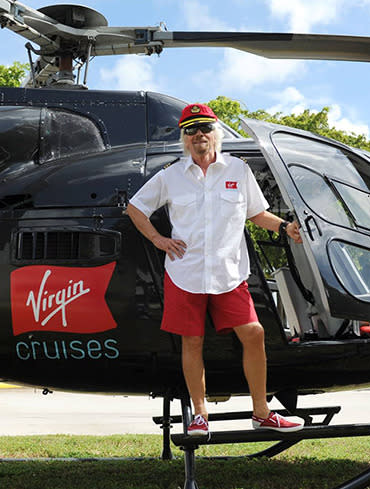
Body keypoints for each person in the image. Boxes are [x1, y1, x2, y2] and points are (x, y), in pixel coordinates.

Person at [126, 103, 305, 435]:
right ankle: (199, 414)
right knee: (192, 342)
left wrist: (284, 227)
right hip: (185, 273)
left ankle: (262, 412)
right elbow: (135, 207)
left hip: (229, 273)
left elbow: (256, 213)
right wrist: (157, 239)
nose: (199, 136)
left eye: (205, 128)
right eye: (191, 130)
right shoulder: (170, 175)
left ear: (216, 134)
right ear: (185, 138)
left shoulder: (238, 170)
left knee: (254, 334)